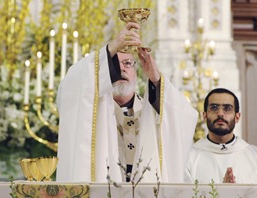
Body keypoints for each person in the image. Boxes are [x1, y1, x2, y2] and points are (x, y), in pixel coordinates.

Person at [56, 21, 198, 183]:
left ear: (137, 72)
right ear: (106, 71)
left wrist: (156, 80)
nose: (122, 69)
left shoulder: (153, 108)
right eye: (116, 64)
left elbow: (183, 115)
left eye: (128, 63)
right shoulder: (93, 109)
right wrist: (111, 48)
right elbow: (70, 88)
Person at [185, 88, 257, 184]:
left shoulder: (255, 156)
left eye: (227, 108)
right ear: (204, 116)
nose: (220, 113)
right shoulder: (189, 158)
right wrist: (223, 193)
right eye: (214, 108)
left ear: (237, 117)